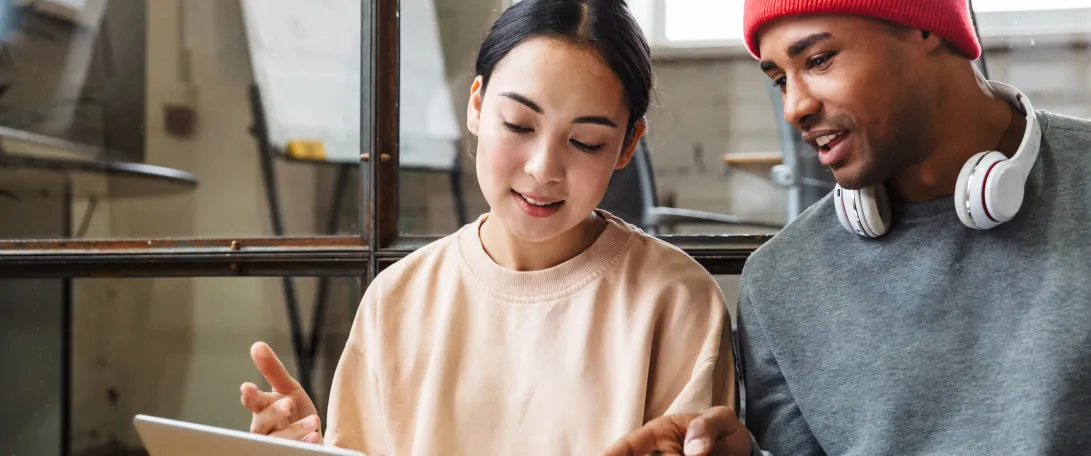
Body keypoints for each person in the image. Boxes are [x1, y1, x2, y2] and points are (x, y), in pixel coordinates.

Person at [605, 0, 1091, 455]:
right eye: (777, 78)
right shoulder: (782, 281)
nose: (795, 107)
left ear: (927, 27)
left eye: (817, 59)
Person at [237, 1, 737, 454]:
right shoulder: (398, 299)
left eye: (585, 142)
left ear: (628, 145)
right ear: (476, 105)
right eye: (520, 125)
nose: (544, 168)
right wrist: (305, 449)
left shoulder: (675, 301)